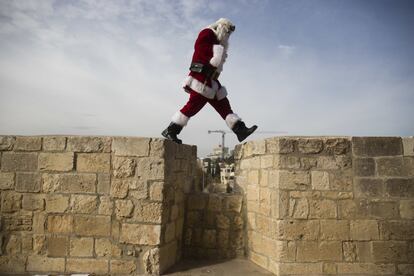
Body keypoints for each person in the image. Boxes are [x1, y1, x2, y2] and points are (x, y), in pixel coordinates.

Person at [162, 18, 257, 144]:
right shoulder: (207, 32)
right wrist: (217, 54)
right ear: (222, 27)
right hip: (200, 79)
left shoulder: (216, 40)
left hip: (211, 81)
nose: (227, 36)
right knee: (192, 106)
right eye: (227, 32)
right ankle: (171, 130)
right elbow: (200, 48)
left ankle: (240, 130)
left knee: (223, 104)